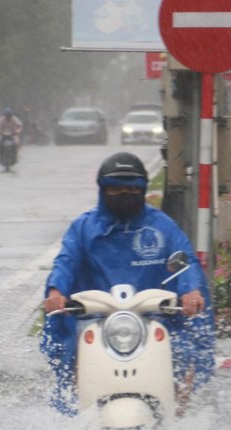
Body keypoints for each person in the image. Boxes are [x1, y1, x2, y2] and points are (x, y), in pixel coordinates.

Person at [40, 152, 215, 415]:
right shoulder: (84, 227)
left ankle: (178, 418)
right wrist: (56, 291)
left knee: (181, 354)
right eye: (115, 188)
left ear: (143, 189)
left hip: (156, 318)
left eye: (132, 188)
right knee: (72, 354)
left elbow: (185, 258)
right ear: (103, 190)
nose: (124, 193)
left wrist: (190, 290)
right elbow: (66, 260)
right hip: (95, 319)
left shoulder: (162, 226)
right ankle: (74, 415)